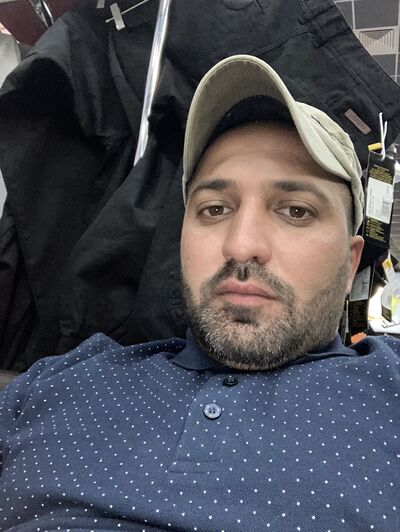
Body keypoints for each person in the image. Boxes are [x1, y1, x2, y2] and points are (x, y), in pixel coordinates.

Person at [0, 54, 399, 532]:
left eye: (295, 210)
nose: (241, 245)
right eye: (215, 209)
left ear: (351, 261)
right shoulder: (56, 384)